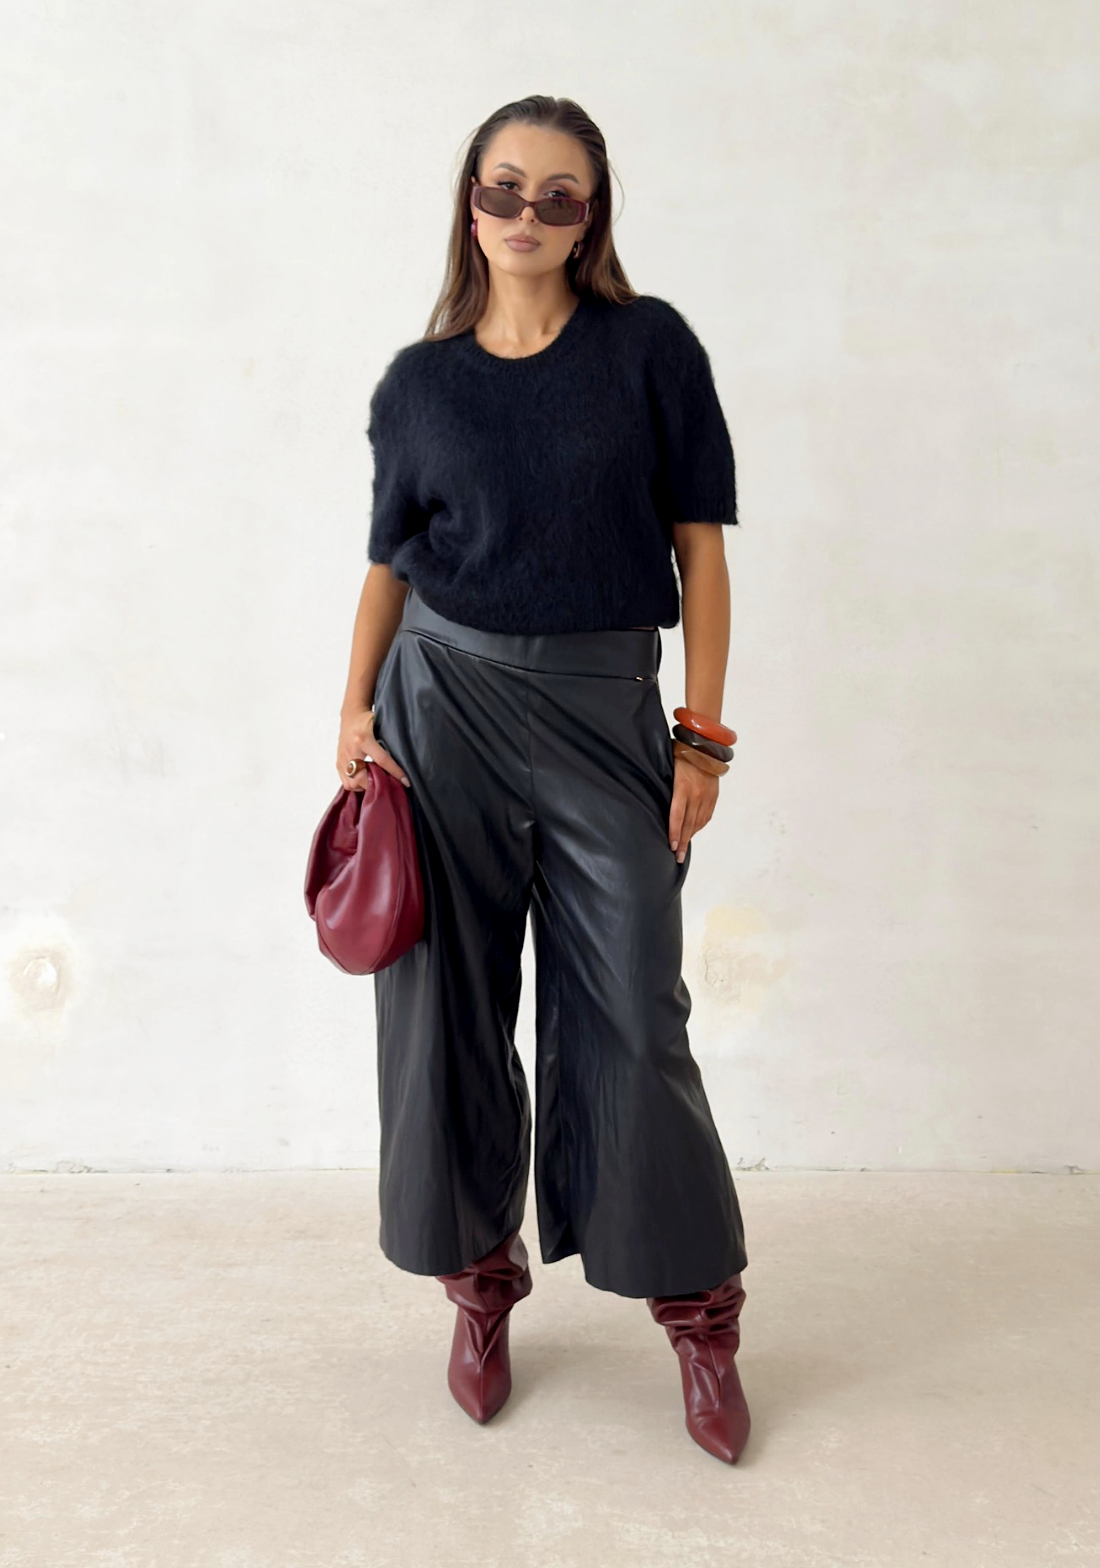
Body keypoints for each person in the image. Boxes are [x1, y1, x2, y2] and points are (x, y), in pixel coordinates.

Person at [336, 95, 750, 1465]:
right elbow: (389, 564)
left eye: (557, 194)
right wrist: (353, 709)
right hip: (438, 705)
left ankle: (700, 1315)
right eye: (503, 187)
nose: (525, 213)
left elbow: (700, 550)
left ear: (591, 217)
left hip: (601, 708)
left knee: (635, 1009)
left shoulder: (651, 348)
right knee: (442, 1008)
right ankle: (480, 1287)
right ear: (470, 202)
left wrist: (701, 736)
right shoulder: (417, 383)